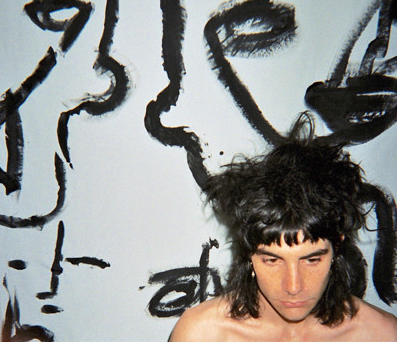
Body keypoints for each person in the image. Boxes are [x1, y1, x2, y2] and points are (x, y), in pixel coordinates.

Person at [169, 115, 397, 341]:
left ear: (337, 246)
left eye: (312, 260)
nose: (293, 286)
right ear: (248, 254)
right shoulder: (201, 334)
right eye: (272, 260)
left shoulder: (382, 334)